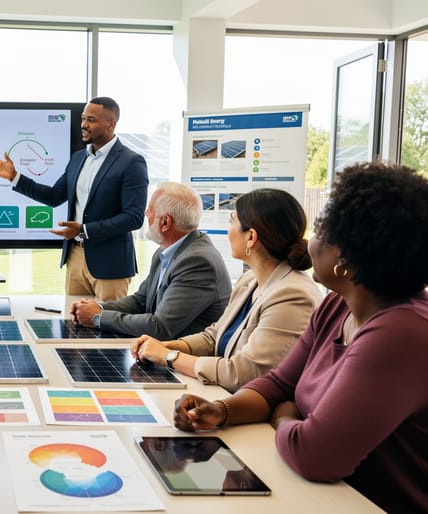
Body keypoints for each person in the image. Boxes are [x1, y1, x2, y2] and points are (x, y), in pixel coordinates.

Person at [173, 162, 428, 513]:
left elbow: (314, 455)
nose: (309, 240)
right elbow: (278, 384)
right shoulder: (337, 305)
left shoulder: (400, 334)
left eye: (320, 228)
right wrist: (222, 411)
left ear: (344, 258)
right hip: (320, 497)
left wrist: (283, 418)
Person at [131, 189, 323, 392]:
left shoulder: (293, 296)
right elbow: (214, 337)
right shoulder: (250, 280)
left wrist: (169, 357)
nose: (228, 230)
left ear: (251, 237)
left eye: (232, 221)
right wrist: (169, 346)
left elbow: (243, 373)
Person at [0, 97, 148, 300]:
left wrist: (84, 230)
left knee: (107, 319)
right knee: (73, 317)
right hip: (75, 256)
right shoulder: (78, 158)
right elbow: (54, 196)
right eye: (83, 118)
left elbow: (133, 217)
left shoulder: (131, 162)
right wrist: (14, 177)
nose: (83, 125)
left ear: (111, 124)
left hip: (110, 263)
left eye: (91, 120)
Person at [71, 181, 231, 339]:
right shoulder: (167, 251)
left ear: (165, 222)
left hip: (185, 353)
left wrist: (98, 318)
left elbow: (160, 327)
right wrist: (96, 308)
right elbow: (140, 301)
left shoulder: (197, 262)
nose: (146, 213)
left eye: (150, 209)